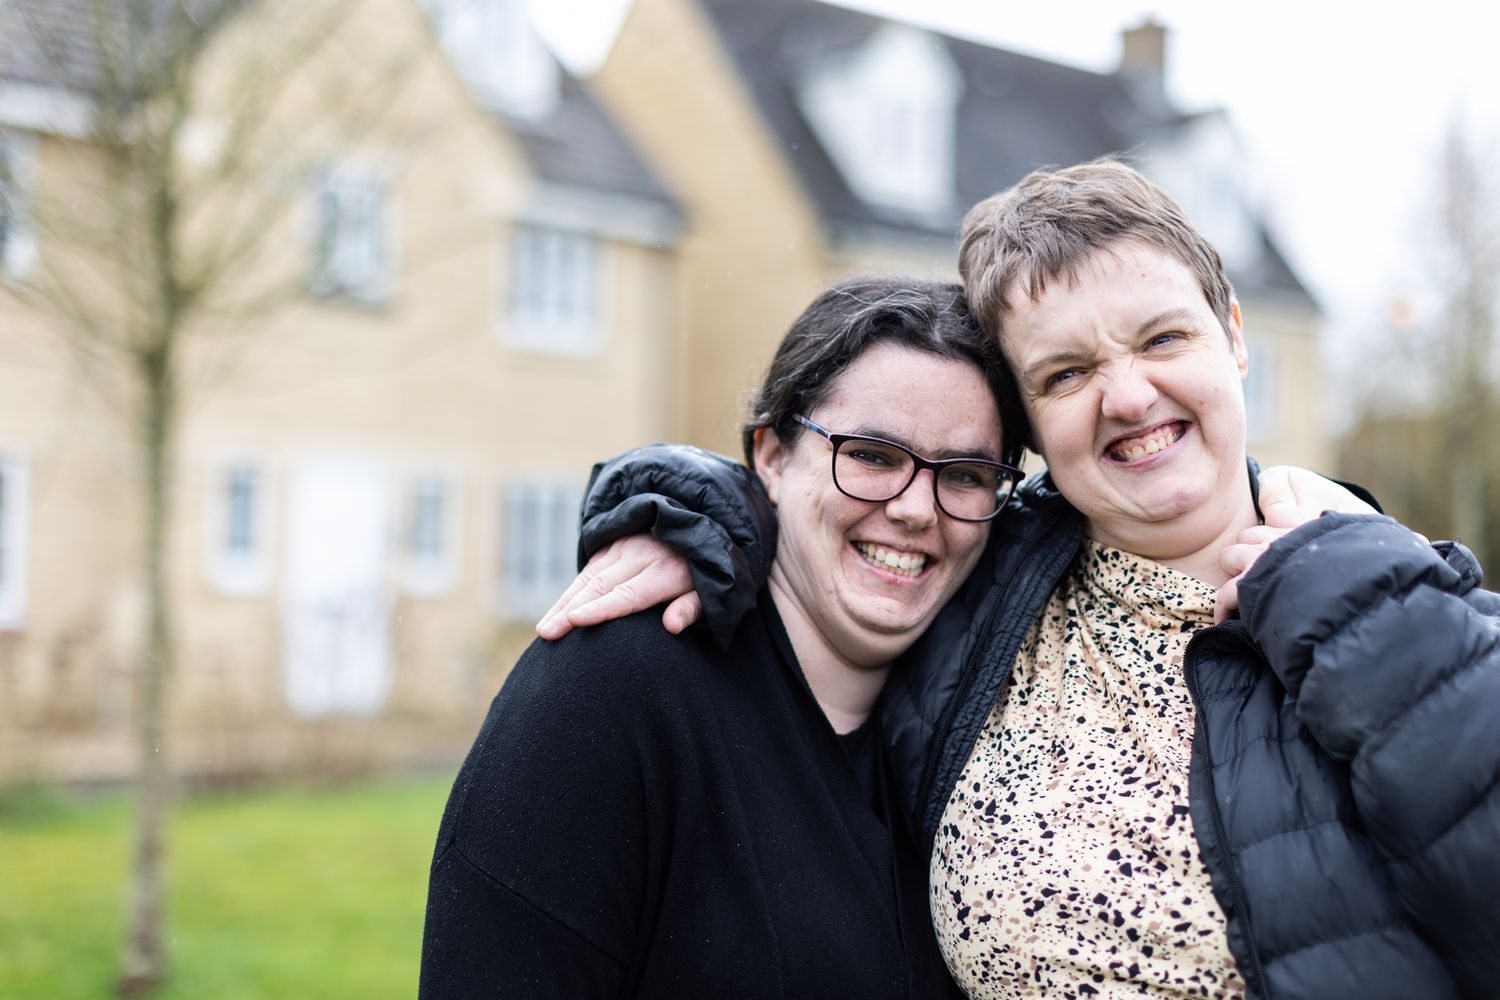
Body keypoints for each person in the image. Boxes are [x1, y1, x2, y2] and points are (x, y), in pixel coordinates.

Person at [534, 161, 1500, 999]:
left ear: (1235, 337)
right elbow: (852, 506)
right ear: (1030, 430)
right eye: (1067, 374)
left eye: (1163, 339)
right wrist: (691, 520)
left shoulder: (1401, 593)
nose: (1128, 397)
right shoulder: (984, 593)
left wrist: (1368, 605)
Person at [419, 276, 1032, 998]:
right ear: (771, 456)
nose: (914, 509)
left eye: (963, 474)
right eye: (870, 455)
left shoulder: (994, 728)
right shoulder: (612, 692)